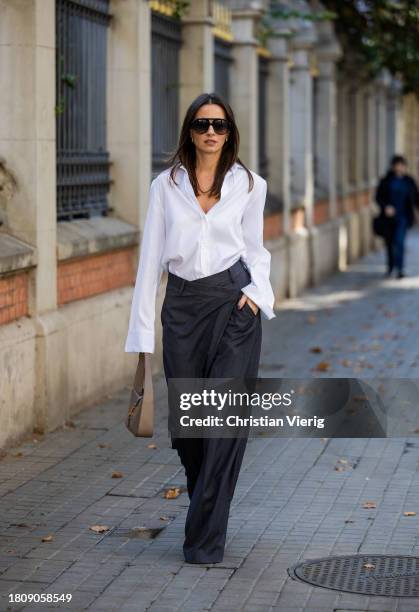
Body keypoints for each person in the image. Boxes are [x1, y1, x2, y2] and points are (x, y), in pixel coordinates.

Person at [124, 92, 276, 564]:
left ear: (230, 133)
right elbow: (151, 261)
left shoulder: (250, 185)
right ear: (189, 130)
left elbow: (256, 251)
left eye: (220, 125)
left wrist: (256, 298)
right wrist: (142, 336)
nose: (211, 132)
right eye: (202, 124)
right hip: (184, 307)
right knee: (191, 430)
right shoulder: (164, 186)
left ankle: (204, 539)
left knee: (223, 425)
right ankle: (205, 511)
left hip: (235, 305)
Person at [375, 155, 419, 278]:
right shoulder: (386, 181)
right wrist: (385, 207)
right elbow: (378, 197)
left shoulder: (409, 181)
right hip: (388, 219)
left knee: (399, 242)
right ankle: (390, 266)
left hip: (403, 217)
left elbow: (416, 198)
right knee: (390, 243)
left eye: (402, 165)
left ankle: (400, 269)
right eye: (397, 165)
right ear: (393, 166)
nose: (400, 167)